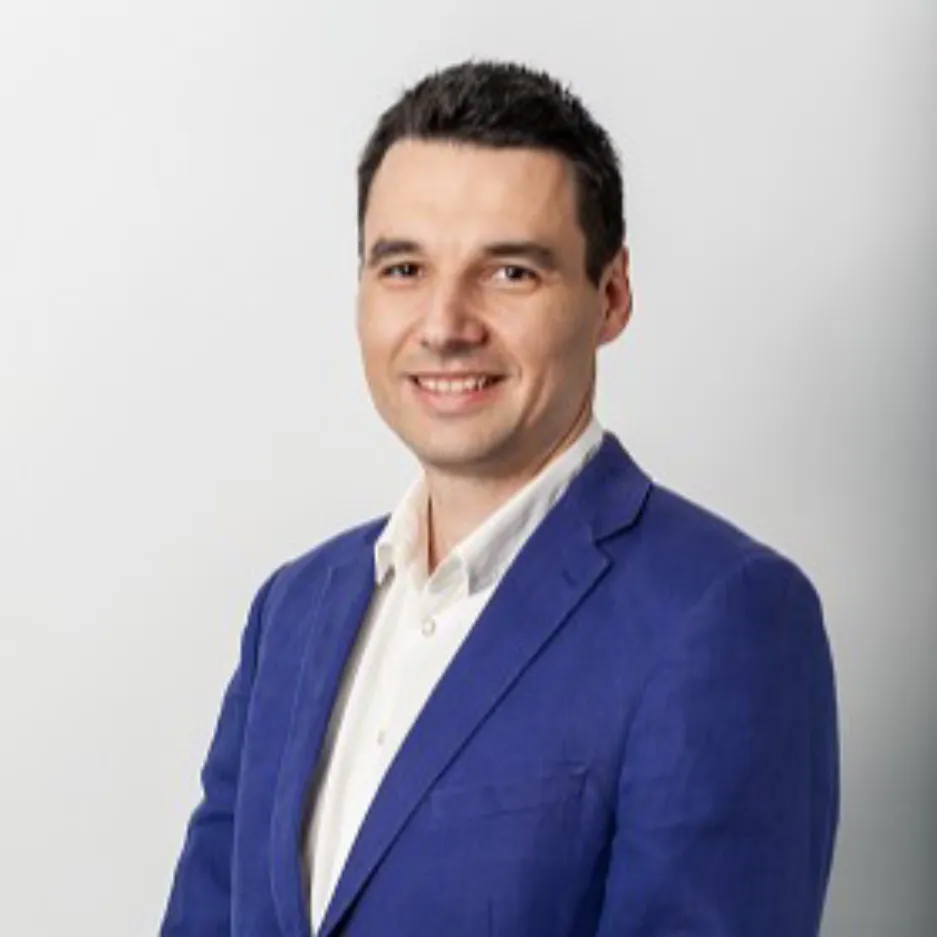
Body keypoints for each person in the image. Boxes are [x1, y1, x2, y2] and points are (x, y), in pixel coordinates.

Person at [160, 60, 839, 937]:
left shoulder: (723, 615)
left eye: (510, 272)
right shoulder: (292, 609)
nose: (445, 325)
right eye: (403, 267)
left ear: (611, 296)